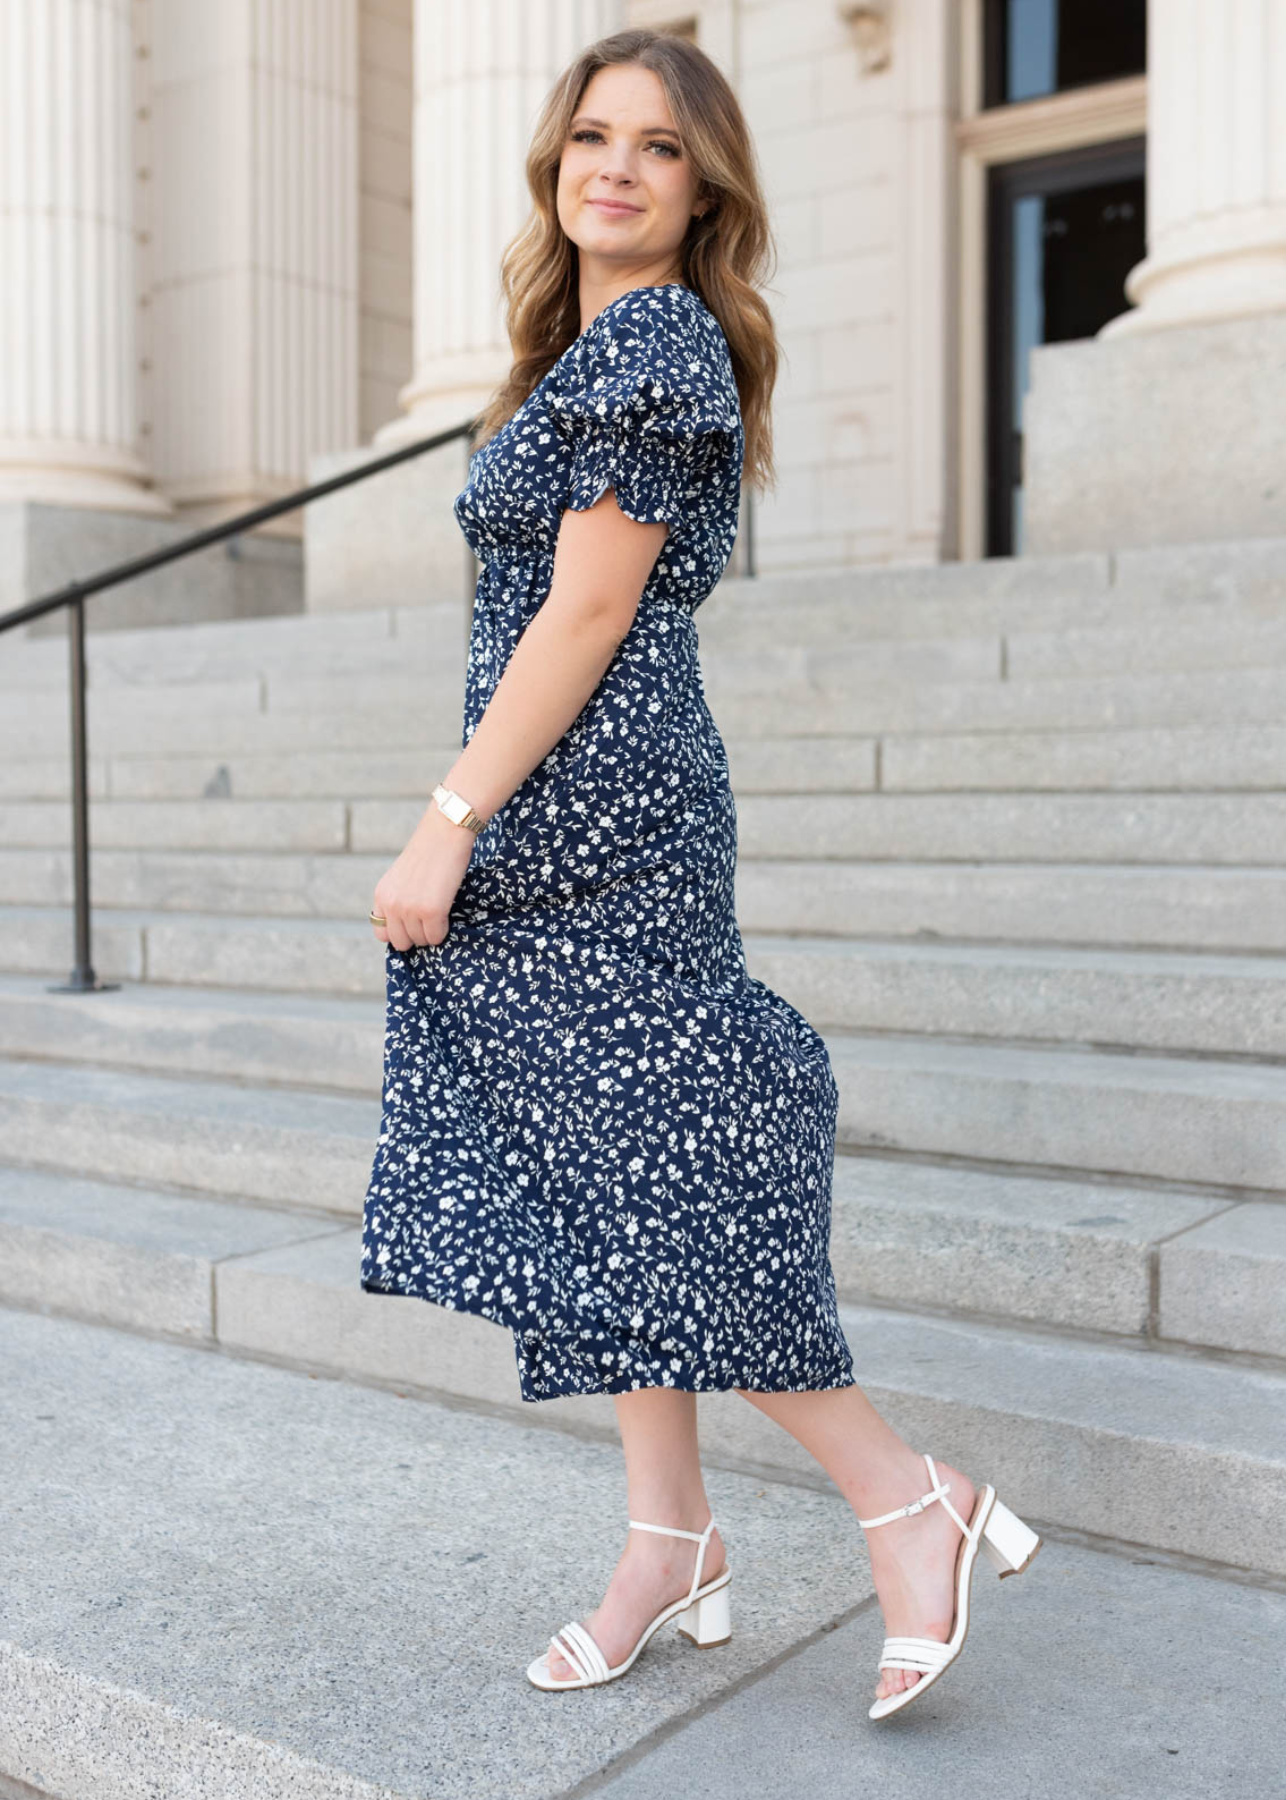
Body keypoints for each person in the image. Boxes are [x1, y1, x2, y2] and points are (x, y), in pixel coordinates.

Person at [359, 27, 1040, 1719]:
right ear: (554, 163)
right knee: (594, 1175)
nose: (617, 165)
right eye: (591, 135)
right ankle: (670, 1539)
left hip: (605, 804)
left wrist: (448, 811)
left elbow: (587, 608)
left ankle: (906, 1497)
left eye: (659, 147)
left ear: (702, 185)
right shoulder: (581, 343)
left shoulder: (659, 339)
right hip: (554, 796)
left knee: (668, 1151)